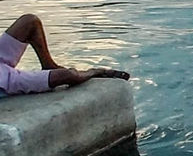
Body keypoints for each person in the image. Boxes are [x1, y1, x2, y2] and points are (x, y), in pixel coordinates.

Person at [0, 13, 129, 96]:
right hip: (4, 80)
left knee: (30, 21)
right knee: (69, 75)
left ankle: (48, 64)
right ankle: (94, 72)